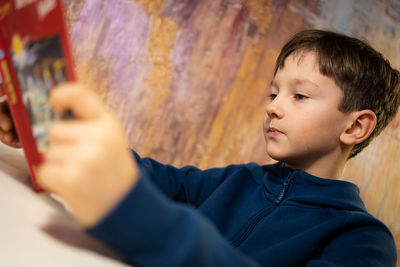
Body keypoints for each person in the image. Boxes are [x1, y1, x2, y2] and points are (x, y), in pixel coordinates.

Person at [0, 29, 399, 266]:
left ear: (356, 126)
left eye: (300, 97)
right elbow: (157, 180)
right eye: (273, 92)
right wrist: (53, 134)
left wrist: (148, 221)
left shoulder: (363, 240)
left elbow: (147, 207)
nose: (273, 106)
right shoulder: (236, 180)